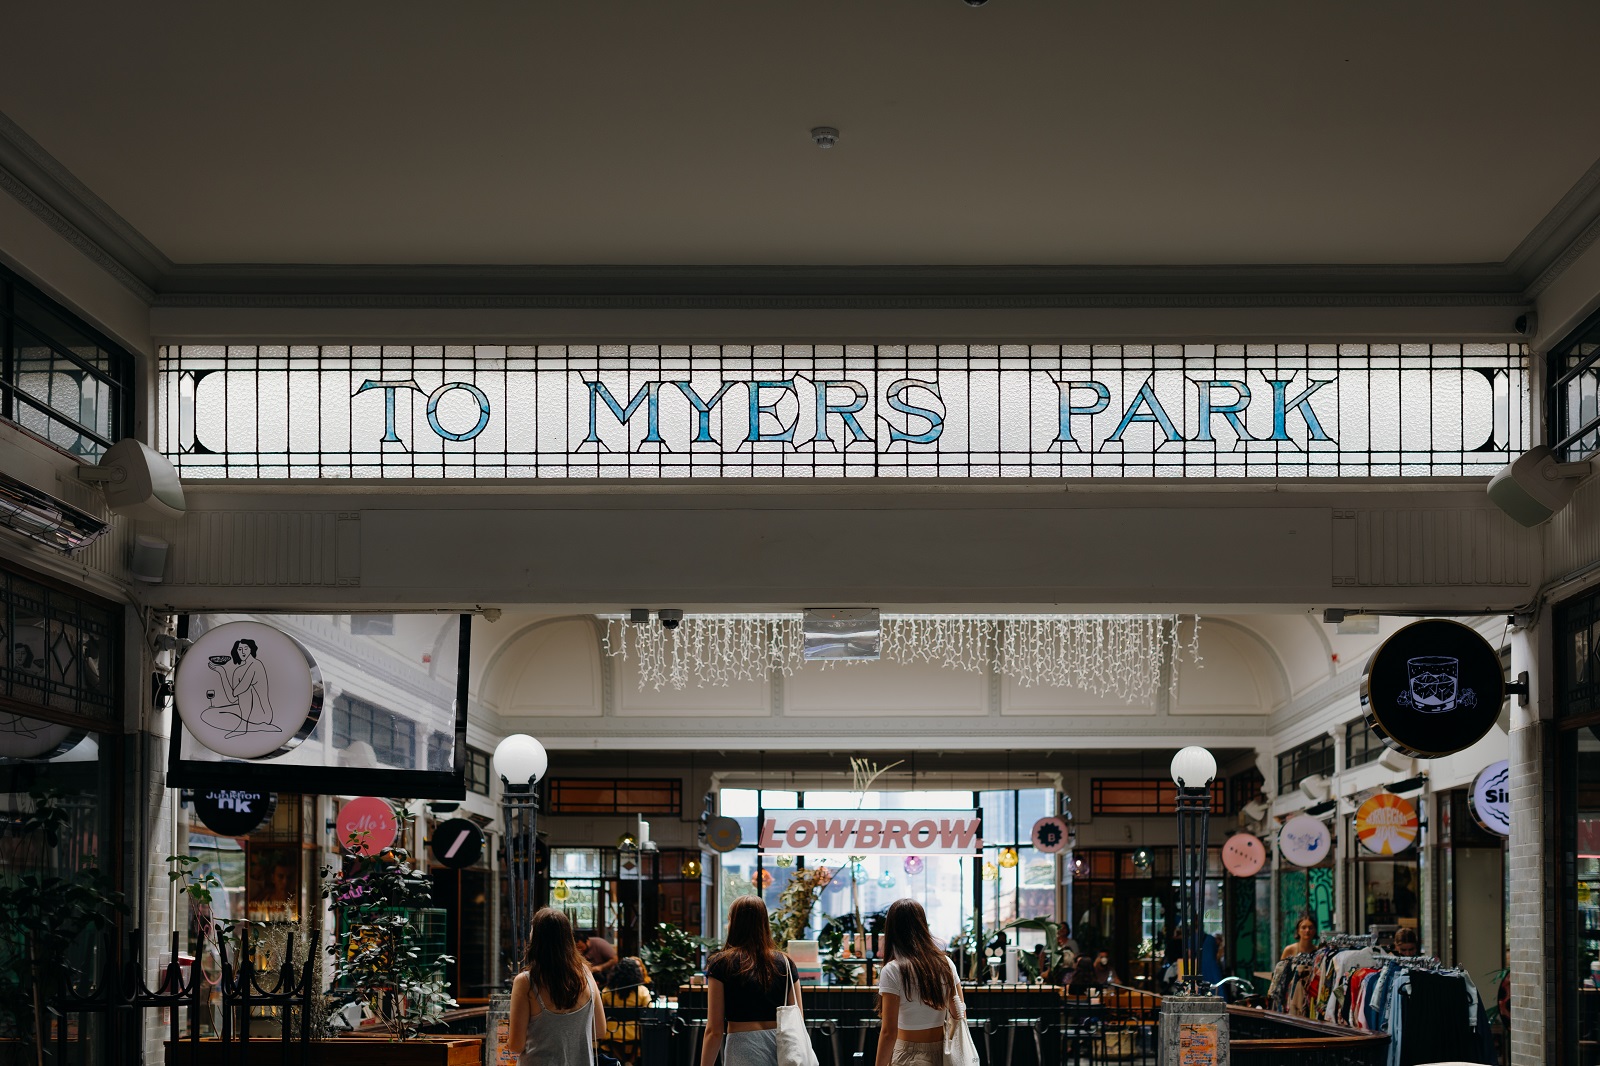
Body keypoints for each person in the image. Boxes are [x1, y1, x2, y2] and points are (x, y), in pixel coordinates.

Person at [700, 896, 802, 1066]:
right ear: (764, 924)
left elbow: (714, 1030)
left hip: (742, 1048)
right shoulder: (785, 962)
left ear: (734, 923)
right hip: (781, 1049)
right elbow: (798, 1019)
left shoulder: (720, 963)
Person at [509, 908, 607, 1066]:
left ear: (536, 939)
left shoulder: (526, 982)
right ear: (568, 938)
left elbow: (516, 1045)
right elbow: (600, 1030)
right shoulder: (587, 975)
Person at [874, 899, 965, 1066]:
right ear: (922, 925)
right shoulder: (945, 963)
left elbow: (889, 1032)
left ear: (892, 929)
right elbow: (959, 1014)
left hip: (908, 1056)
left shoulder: (893, 970)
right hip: (942, 1054)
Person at [601, 956, 653, 1065]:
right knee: (638, 1039)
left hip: (612, 1031)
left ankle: (621, 1060)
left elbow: (602, 1009)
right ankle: (630, 1061)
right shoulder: (642, 991)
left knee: (613, 1041)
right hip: (635, 1031)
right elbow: (649, 1009)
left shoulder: (608, 991)